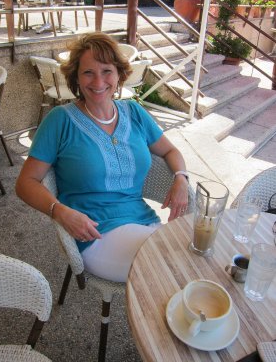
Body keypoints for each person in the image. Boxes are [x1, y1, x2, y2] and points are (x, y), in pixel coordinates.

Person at [16, 32, 189, 282]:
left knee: (192, 254)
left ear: (119, 74)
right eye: (88, 72)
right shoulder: (60, 120)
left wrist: (180, 178)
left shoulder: (134, 112)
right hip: (96, 233)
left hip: (143, 221)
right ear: (76, 76)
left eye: (107, 71)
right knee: (171, 268)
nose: (98, 81)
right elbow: (25, 183)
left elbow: (171, 151)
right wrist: (59, 211)